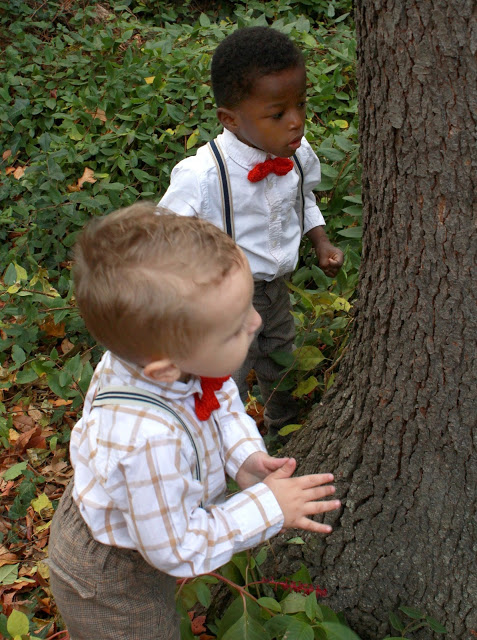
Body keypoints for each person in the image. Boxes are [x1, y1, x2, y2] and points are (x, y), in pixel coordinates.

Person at [47, 203, 341, 640]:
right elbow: (178, 546)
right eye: (234, 327)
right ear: (164, 370)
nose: (257, 321)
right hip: (112, 580)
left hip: (146, 523)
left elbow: (218, 396)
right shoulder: (149, 442)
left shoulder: (157, 356)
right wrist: (270, 508)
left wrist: (242, 458)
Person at [159, 26, 344, 437]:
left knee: (280, 356)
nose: (296, 122)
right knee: (227, 371)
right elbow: (164, 236)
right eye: (278, 114)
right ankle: (225, 442)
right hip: (224, 301)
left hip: (276, 289)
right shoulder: (204, 175)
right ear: (230, 118)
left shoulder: (298, 155)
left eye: (301, 105)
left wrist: (321, 241)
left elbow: (304, 200)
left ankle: (285, 426)